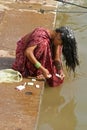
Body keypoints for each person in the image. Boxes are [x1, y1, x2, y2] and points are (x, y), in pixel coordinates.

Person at [12, 26, 79, 87]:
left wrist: (60, 70)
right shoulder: (40, 36)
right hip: (23, 53)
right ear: (58, 36)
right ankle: (32, 69)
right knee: (43, 44)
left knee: (54, 74)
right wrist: (41, 68)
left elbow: (56, 58)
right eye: (61, 43)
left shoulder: (55, 39)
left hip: (32, 53)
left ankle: (41, 68)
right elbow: (28, 52)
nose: (60, 44)